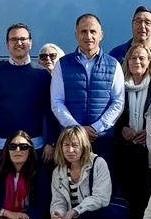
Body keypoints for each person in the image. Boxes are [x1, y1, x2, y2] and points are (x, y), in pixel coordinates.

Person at [51, 14, 125, 161]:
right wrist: (77, 130)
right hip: (71, 141)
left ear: (101, 35)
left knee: (101, 181)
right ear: (76, 35)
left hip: (102, 140)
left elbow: (118, 102)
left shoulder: (114, 64)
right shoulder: (62, 64)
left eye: (93, 31)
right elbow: (57, 102)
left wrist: (97, 127)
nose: (88, 36)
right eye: (83, 31)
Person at [0, 23, 54, 166]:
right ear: (7, 44)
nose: (18, 43)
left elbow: (50, 111)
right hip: (0, 147)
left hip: (35, 147)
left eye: (23, 39)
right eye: (13, 40)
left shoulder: (43, 74)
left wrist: (50, 142)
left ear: (30, 43)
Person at [50, 125, 116, 219]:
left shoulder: (98, 163)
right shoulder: (58, 171)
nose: (70, 150)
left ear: (84, 146)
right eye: (66, 145)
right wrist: (57, 213)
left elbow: (101, 197)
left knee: (88, 218)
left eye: (75, 145)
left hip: (97, 218)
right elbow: (58, 200)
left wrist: (76, 211)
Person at [113, 44, 151, 219]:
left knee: (146, 195)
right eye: (133, 58)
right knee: (125, 194)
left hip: (147, 151)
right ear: (127, 61)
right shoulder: (117, 86)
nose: (137, 62)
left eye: (142, 58)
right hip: (123, 150)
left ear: (150, 62)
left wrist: (148, 132)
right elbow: (112, 114)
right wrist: (121, 130)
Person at [109, 6, 151, 78]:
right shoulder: (116, 54)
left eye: (147, 22)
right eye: (138, 21)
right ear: (132, 25)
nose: (142, 26)